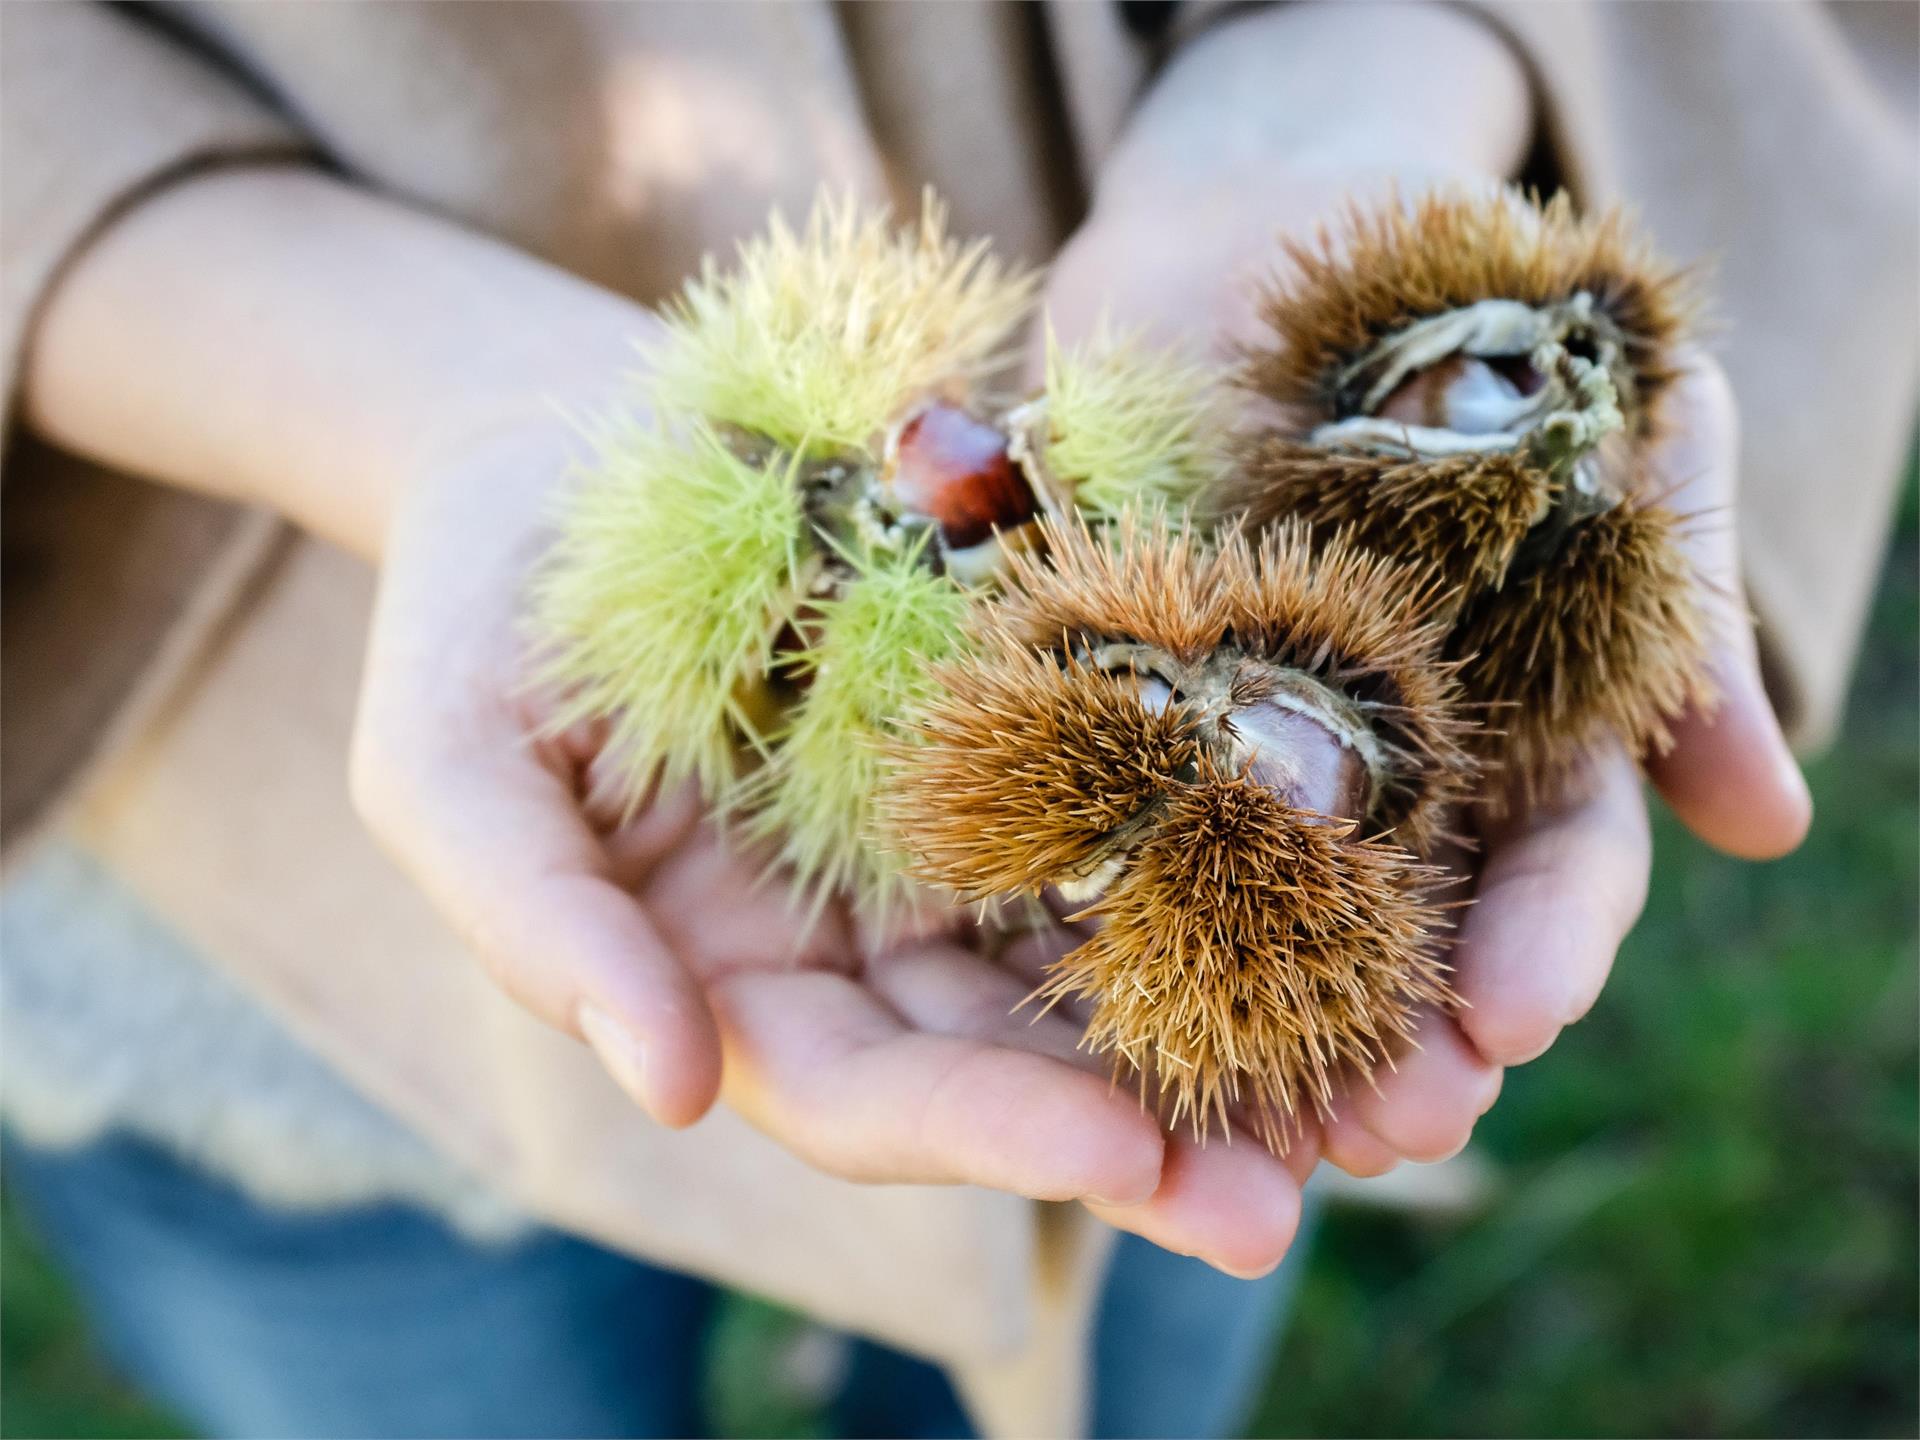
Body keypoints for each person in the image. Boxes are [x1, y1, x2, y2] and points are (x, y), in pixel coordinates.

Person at [0, 2, 1910, 1436]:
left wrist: (1360, 69)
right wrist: (365, 371)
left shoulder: (1147, 611)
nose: (961, 467)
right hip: (253, 972)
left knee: (1138, 1293)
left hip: (1135, 1007)